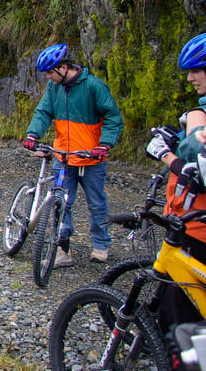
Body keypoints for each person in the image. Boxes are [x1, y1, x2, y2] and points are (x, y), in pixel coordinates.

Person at [21, 42, 124, 266]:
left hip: (91, 158)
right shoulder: (54, 88)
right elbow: (44, 111)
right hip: (64, 156)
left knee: (96, 203)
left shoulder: (94, 86)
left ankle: (101, 244)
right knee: (60, 203)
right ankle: (62, 249)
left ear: (64, 68)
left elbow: (113, 117)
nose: (48, 77)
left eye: (50, 72)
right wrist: (32, 135)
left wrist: (104, 144)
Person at [144, 32, 206, 331]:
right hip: (192, 221)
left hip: (197, 227)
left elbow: (197, 164)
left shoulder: (200, 113)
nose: (191, 78)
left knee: (180, 321)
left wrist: (167, 155)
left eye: (196, 70)